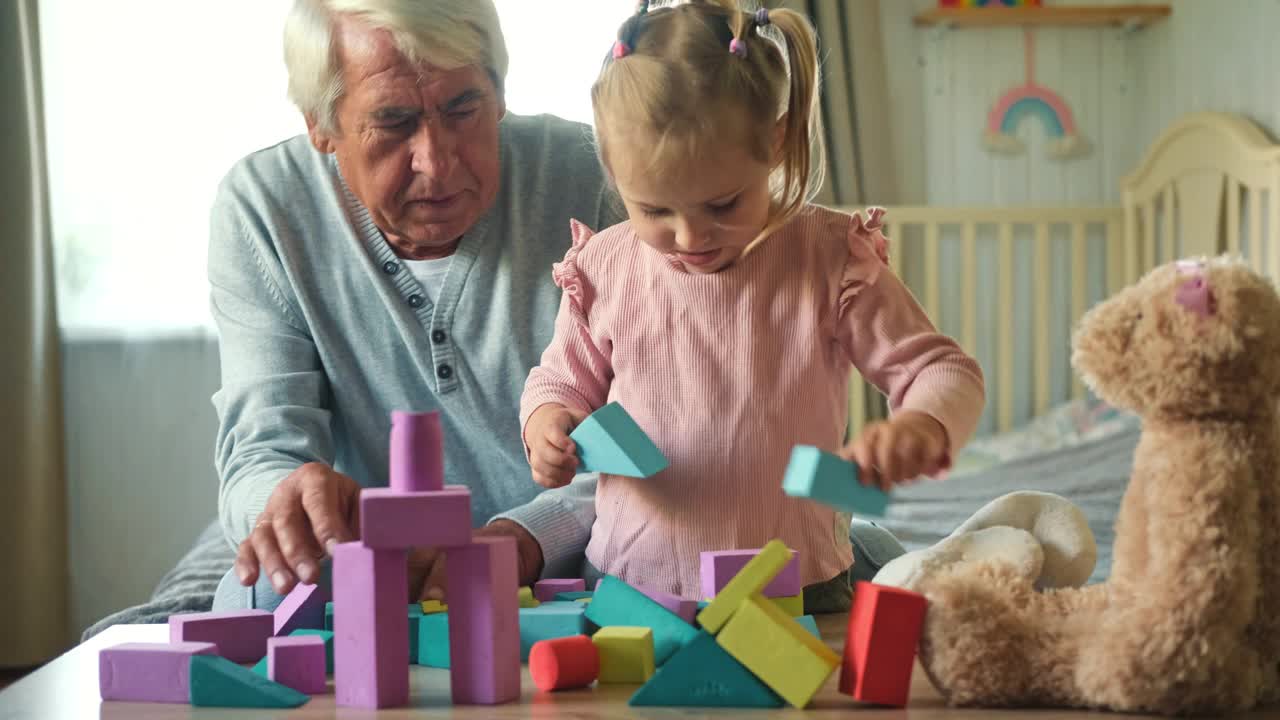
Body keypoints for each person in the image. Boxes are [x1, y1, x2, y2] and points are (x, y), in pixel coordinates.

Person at [520, 0, 985, 611]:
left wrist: (923, 424)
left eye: (721, 205)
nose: (690, 239)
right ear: (611, 168)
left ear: (776, 142)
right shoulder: (605, 267)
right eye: (655, 210)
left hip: (800, 582)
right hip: (634, 581)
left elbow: (943, 371)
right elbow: (559, 379)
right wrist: (545, 424)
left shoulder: (828, 258)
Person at [209, 0, 622, 611]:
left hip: (566, 544)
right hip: (375, 560)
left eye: (463, 109)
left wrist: (526, 538)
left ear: (500, 92)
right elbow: (262, 448)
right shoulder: (265, 209)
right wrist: (291, 501)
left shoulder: (597, 175)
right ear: (322, 126)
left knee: (658, 565)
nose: (437, 159)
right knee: (256, 600)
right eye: (394, 122)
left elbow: (664, 424)